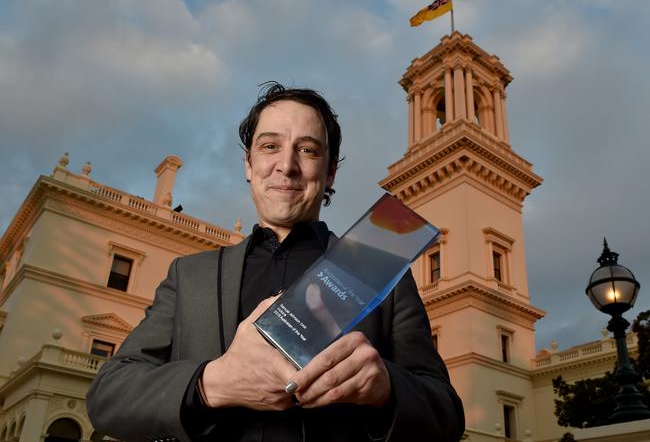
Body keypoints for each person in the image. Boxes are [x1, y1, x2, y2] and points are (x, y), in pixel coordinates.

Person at [86, 83, 465, 441]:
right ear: (248, 165)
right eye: (269, 146)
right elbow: (107, 397)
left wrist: (386, 389)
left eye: (308, 150)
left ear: (330, 171)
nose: (287, 165)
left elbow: (447, 416)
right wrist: (212, 383)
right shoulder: (190, 276)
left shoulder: (385, 273)